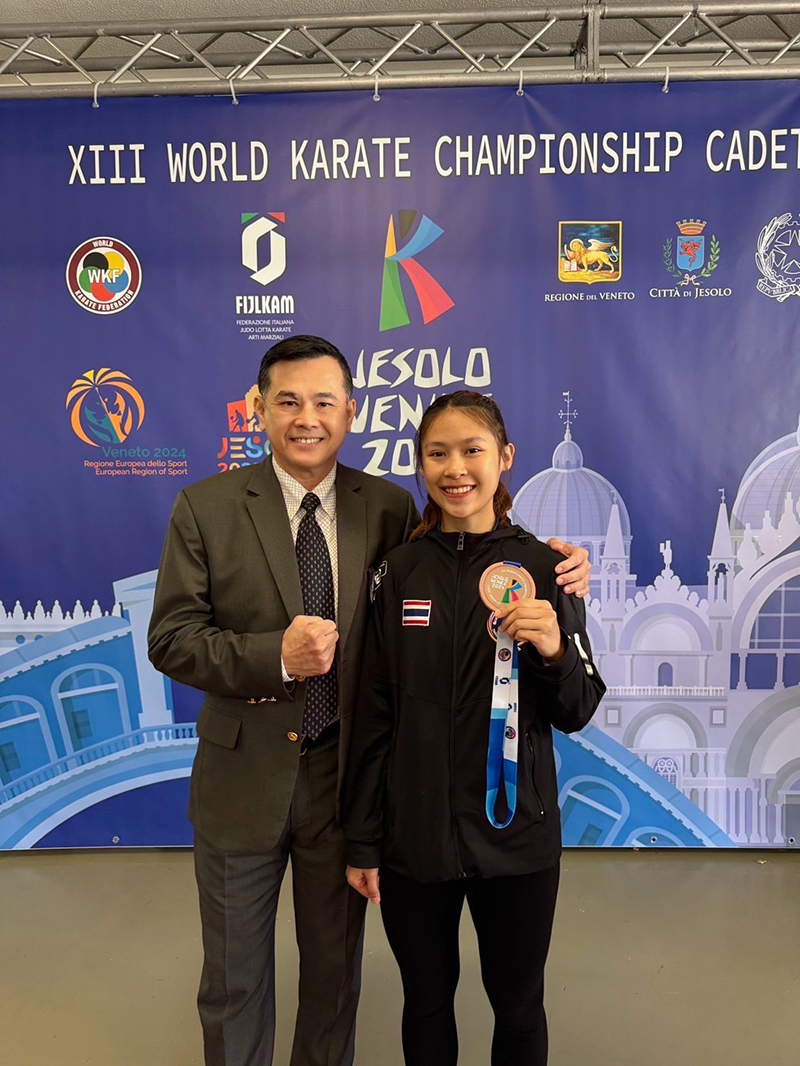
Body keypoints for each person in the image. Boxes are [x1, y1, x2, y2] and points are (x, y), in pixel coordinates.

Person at [147, 337, 593, 1066]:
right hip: (244, 778)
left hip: (346, 778)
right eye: (288, 401)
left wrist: (557, 573)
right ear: (258, 409)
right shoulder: (205, 507)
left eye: (324, 402)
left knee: (334, 979)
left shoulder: (386, 509)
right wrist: (275, 657)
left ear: (350, 412)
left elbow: (467, 566)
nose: (307, 418)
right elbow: (170, 640)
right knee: (233, 981)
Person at [343, 391, 606, 1066]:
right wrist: (364, 839)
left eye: (472, 450)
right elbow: (374, 714)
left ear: (505, 458)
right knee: (426, 1002)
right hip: (414, 842)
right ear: (420, 464)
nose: (455, 468)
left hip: (517, 839)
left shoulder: (547, 568)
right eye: (437, 453)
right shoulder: (397, 571)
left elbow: (577, 708)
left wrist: (553, 648)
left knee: (517, 1007)